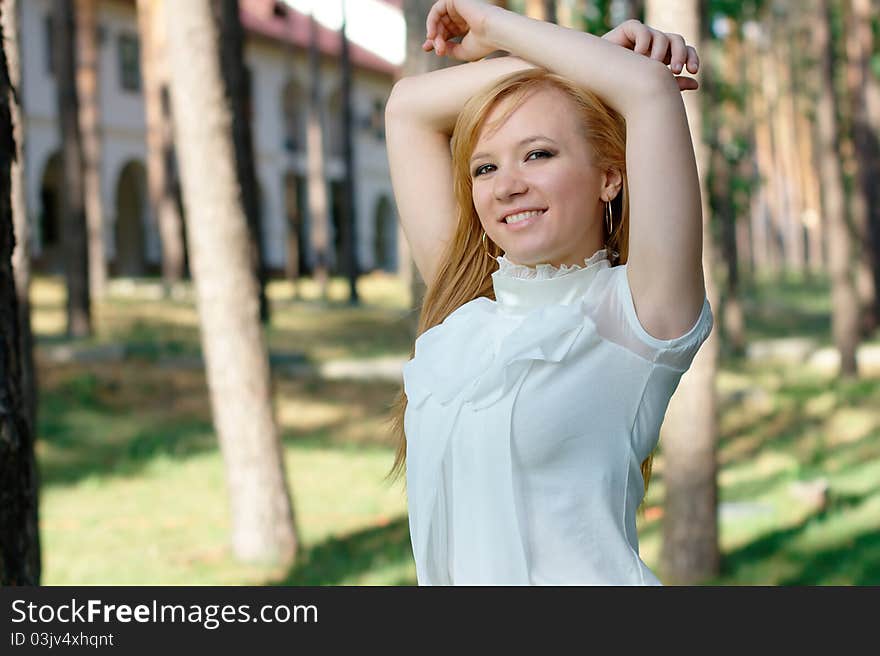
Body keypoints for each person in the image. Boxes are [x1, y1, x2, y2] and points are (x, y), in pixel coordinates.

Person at [383, 0, 714, 585]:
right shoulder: (465, 316)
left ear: (609, 176)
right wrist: (587, 61)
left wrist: (492, 28)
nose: (508, 186)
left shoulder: (637, 317)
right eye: (484, 169)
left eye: (538, 154)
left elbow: (646, 90)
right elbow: (407, 109)